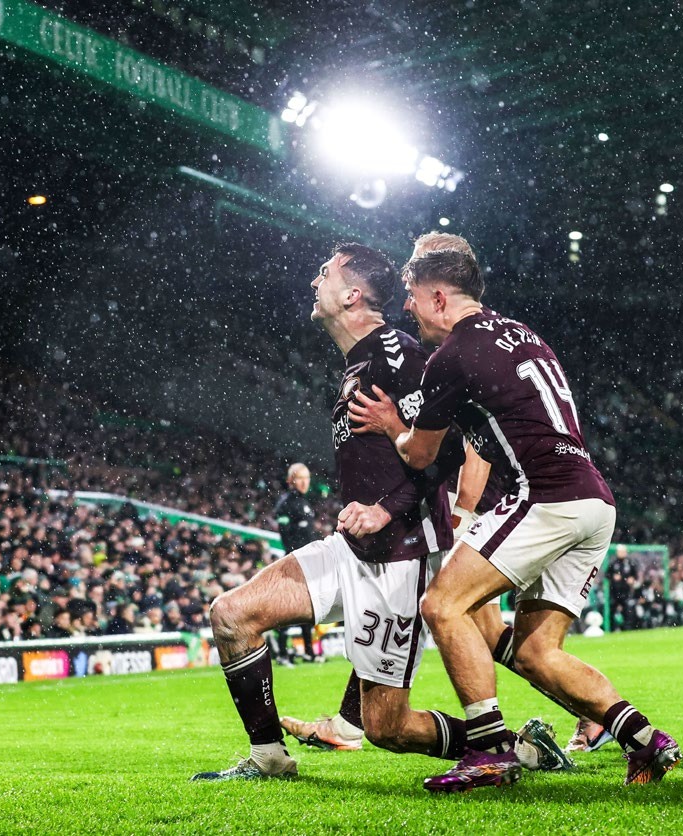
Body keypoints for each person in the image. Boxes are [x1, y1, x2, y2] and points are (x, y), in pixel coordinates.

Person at [191, 243, 563, 782]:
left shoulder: (399, 354)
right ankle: (269, 758)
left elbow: (454, 450)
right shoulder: (357, 362)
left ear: (352, 295)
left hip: (401, 558)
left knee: (386, 727)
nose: (314, 279)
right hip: (354, 548)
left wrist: (389, 510)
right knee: (232, 615)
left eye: (326, 272)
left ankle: (523, 749)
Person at [350, 249, 681, 791]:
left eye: (413, 297)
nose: (407, 308)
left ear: (440, 297)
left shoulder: (452, 356)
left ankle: (490, 749)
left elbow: (419, 454)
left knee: (442, 603)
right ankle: (645, 740)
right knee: (534, 652)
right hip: (593, 500)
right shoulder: (520, 332)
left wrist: (391, 424)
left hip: (543, 494)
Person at [281, 232, 595, 760]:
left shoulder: (455, 350)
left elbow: (470, 450)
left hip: (489, 508)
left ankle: (561, 723)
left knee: (477, 626)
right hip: (510, 501)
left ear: (442, 282)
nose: (409, 296)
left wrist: (463, 512)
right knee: (476, 626)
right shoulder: (485, 338)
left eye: (419, 268)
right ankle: (351, 718)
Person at [272, 463, 323, 664]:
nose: (304, 482)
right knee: (289, 607)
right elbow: (286, 536)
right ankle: (283, 653)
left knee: (307, 608)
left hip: (308, 562)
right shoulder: (286, 503)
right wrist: (296, 558)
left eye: (307, 478)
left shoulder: (304, 502)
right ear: (291, 480)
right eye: (300, 478)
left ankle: (309, 651)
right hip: (295, 563)